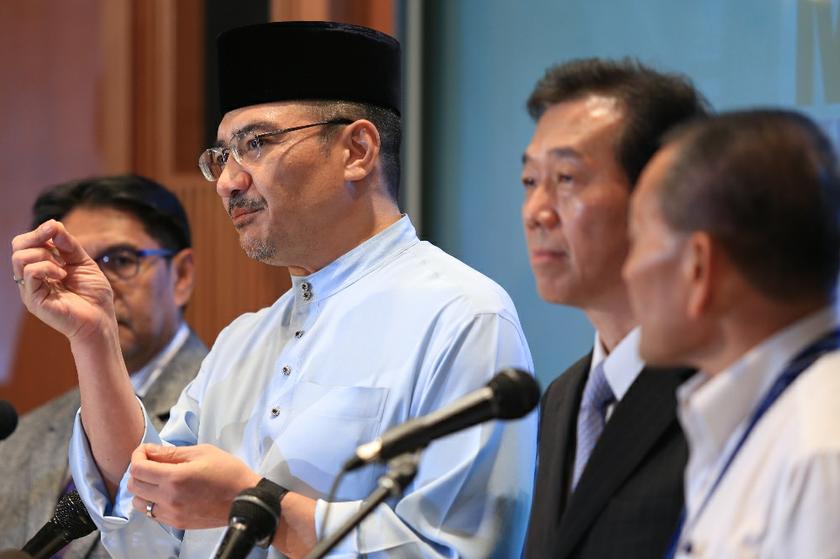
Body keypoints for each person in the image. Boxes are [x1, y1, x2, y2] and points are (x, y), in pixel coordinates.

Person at [11, 21, 537, 558]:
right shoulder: (242, 342)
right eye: (222, 156)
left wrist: (256, 507)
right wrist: (94, 337)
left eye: (256, 144)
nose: (227, 182)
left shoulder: (461, 315)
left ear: (357, 150)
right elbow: (146, 524)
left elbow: (463, 551)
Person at [623, 109, 840, 558]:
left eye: (638, 239)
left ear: (698, 267)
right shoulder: (768, 418)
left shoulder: (820, 453)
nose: (628, 272)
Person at [520, 58, 710, 559]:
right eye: (530, 180)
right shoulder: (563, 397)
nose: (537, 212)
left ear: (661, 196)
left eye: (566, 178)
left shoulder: (715, 388)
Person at [0, 175, 207, 558]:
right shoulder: (19, 437)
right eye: (71, 265)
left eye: (120, 261)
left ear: (181, 276)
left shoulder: (228, 408)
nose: (94, 283)